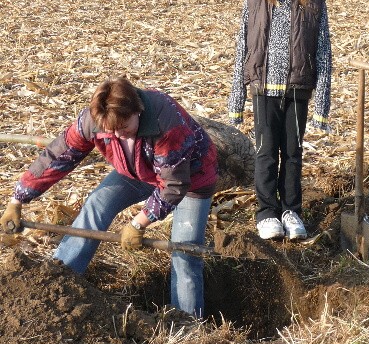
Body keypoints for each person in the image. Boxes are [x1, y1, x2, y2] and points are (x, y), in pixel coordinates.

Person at [0, 76, 217, 318]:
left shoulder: (167, 124)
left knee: (185, 252)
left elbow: (173, 185)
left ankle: (186, 323)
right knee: (97, 204)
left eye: (123, 128)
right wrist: (17, 199)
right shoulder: (94, 121)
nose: (118, 135)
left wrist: (138, 223)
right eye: (110, 130)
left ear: (139, 110)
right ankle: (60, 279)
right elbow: (57, 157)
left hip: (190, 179)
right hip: (138, 170)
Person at [228, 0, 332, 240]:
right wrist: (236, 102)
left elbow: (324, 52)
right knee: (265, 154)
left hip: (297, 90)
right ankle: (266, 213)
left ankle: (291, 211)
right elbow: (241, 50)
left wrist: (322, 105)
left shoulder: (314, 1)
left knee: (293, 153)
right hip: (263, 90)